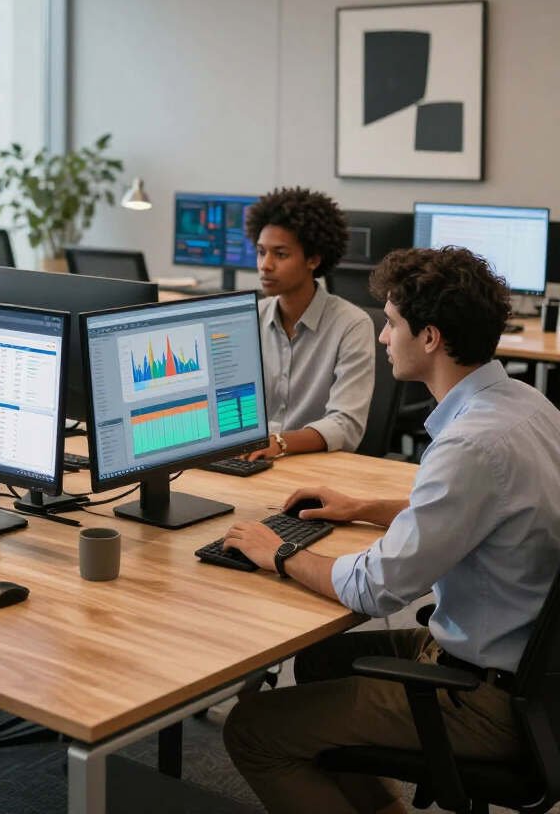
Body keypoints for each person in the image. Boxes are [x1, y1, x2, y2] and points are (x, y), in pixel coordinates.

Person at [220, 246, 560, 814]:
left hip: (483, 700)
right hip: (529, 673)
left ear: (429, 338)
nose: (382, 337)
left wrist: (279, 554)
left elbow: (375, 590)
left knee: (252, 729)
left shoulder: (469, 446)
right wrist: (367, 507)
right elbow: (486, 512)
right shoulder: (527, 406)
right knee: (319, 660)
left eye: (392, 322)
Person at [244, 186, 374, 460]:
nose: (265, 265)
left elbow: (345, 425)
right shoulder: (248, 319)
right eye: (260, 252)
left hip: (315, 468)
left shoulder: (352, 325)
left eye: (280, 254)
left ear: (313, 259)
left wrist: (278, 442)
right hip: (250, 461)